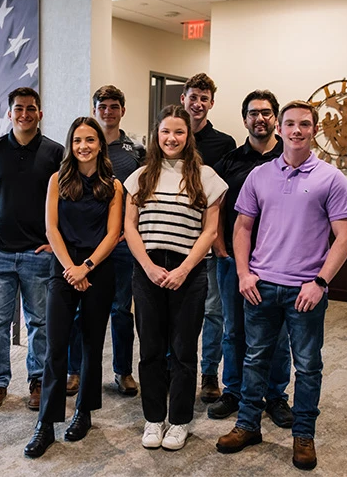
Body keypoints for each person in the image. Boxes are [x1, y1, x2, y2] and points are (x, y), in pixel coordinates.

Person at [216, 101, 347, 471]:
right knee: (254, 358)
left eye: (304, 124)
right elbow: (241, 228)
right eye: (290, 124)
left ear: (314, 129)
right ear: (279, 127)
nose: (297, 130)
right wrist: (245, 274)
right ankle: (247, 425)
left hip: (305, 292)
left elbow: (345, 238)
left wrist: (320, 282)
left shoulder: (331, 178)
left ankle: (303, 435)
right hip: (261, 286)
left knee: (308, 366)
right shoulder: (259, 176)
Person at [124, 105, 228, 451]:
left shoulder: (206, 177)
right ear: (157, 135)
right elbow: (129, 227)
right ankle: (154, 419)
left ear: (189, 137)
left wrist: (184, 269)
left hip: (190, 270)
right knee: (151, 348)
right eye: (166, 131)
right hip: (148, 268)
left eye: (179, 132)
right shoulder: (140, 177)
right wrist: (150, 268)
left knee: (183, 350)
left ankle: (179, 421)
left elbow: (210, 230)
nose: (172, 138)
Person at [24, 117, 123, 458]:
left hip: (98, 267)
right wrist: (71, 269)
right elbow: (51, 229)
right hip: (63, 268)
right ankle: (46, 424)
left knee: (93, 344)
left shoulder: (113, 185)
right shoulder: (58, 180)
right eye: (78, 140)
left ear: (100, 145)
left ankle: (83, 413)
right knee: (55, 346)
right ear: (71, 144)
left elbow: (113, 234)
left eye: (90, 140)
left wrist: (87, 267)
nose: (84, 146)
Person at [0, 87, 63, 411]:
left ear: (40, 113)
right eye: (19, 108)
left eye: (31, 108)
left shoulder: (55, 153)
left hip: (38, 255)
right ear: (9, 113)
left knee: (39, 322)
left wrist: (53, 242)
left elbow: (64, 200)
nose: (24, 114)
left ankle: (37, 380)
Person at [209, 90, 292, 427]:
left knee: (278, 333)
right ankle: (234, 391)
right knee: (234, 330)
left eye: (267, 113)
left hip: (277, 265)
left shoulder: (289, 160)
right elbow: (214, 206)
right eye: (253, 113)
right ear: (245, 119)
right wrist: (218, 242)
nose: (260, 118)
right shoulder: (229, 162)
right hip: (232, 260)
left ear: (275, 119)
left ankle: (275, 397)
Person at [66, 85, 144, 397]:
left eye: (114, 106)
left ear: (122, 110)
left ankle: (122, 372)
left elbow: (142, 194)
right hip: (85, 244)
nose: (108, 111)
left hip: (122, 243)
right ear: (96, 109)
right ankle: (74, 370)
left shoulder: (136, 151)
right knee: (77, 310)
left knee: (121, 309)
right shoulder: (85, 144)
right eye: (103, 106)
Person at [180, 73, 236, 403]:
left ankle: (209, 374)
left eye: (204, 98)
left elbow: (224, 197)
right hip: (175, 240)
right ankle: (177, 369)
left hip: (209, 240)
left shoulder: (224, 144)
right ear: (183, 99)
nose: (197, 103)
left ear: (211, 103)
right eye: (193, 97)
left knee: (214, 312)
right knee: (178, 312)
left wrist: (217, 238)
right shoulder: (171, 136)